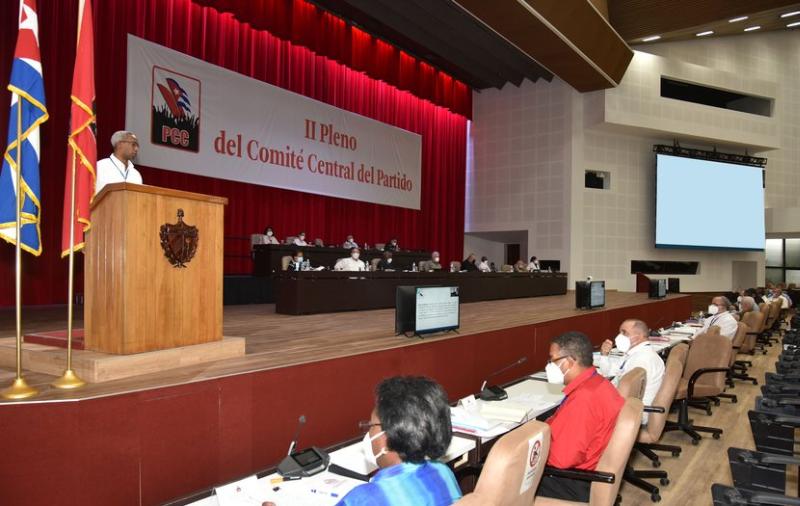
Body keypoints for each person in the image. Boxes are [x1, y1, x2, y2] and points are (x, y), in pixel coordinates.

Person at [335, 376, 462, 506]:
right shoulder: (443, 472)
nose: (368, 433)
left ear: (390, 434)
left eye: (371, 426)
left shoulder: (362, 500)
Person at [536, 331, 624, 502]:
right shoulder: (598, 383)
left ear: (569, 362)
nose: (549, 365)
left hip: (573, 481)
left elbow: (560, 460)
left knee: (497, 474)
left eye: (552, 360)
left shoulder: (584, 399)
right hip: (589, 471)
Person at [596, 319, 664, 424]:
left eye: (624, 333)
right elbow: (611, 371)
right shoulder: (637, 353)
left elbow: (624, 395)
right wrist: (604, 355)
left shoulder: (642, 360)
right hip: (632, 406)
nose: (619, 336)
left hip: (634, 413)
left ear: (639, 336)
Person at [95, 130, 144, 194]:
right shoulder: (100, 167)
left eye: (137, 146)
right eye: (133, 144)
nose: (136, 149)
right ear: (119, 144)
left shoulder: (136, 175)